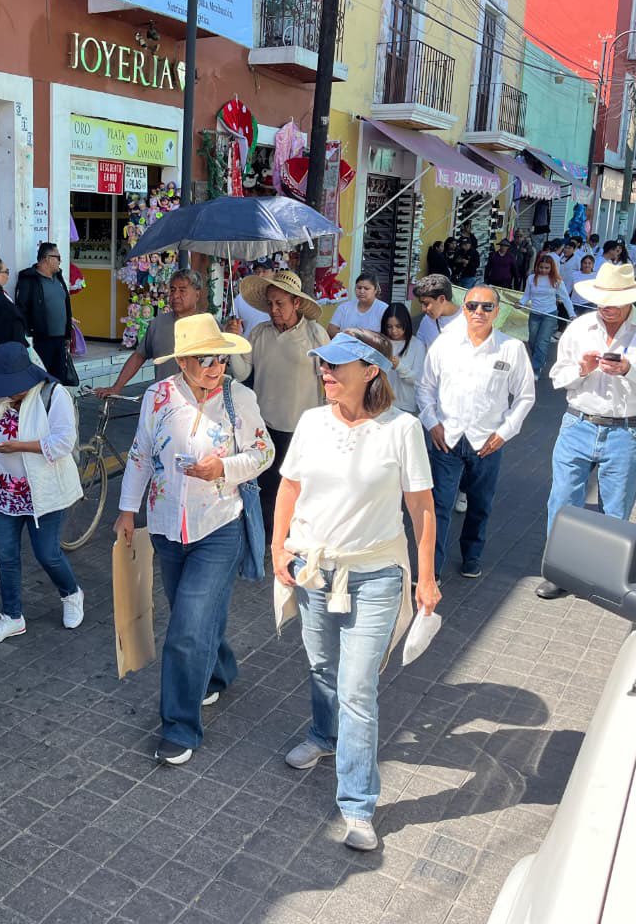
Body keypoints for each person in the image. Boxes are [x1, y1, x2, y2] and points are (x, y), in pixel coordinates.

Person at [272, 330, 440, 851]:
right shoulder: (311, 423)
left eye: (336, 366)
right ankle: (323, 737)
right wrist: (278, 547)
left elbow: (422, 508)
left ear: (370, 370)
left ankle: (358, 806)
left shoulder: (402, 429)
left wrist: (427, 577)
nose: (325, 372)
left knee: (357, 688)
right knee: (322, 666)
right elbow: (290, 486)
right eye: (323, 364)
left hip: (377, 575)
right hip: (315, 570)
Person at [115, 314, 273, 765]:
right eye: (204, 358)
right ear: (181, 360)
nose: (214, 366)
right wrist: (127, 510)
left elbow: (264, 452)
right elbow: (142, 454)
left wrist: (223, 469)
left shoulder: (238, 398)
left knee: (185, 629)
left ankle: (179, 728)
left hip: (219, 526)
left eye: (220, 357)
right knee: (195, 617)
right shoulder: (158, 397)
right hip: (166, 527)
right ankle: (220, 672)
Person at [537, 264, 636, 599]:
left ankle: (601, 574)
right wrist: (581, 370)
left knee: (616, 508)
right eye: (601, 299)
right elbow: (558, 377)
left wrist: (630, 370)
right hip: (578, 422)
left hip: (627, 430)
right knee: (563, 501)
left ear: (630, 299)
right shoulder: (580, 327)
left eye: (614, 299)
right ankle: (561, 570)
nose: (606, 305)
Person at [418, 286, 536, 579]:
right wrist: (432, 422)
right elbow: (425, 388)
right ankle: (431, 568)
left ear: (497, 311)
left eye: (486, 307)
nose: (478, 312)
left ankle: (472, 555)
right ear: (464, 309)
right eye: (472, 306)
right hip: (446, 439)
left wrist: (505, 432)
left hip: (487, 441)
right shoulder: (444, 344)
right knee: (439, 506)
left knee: (480, 504)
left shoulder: (511, 348)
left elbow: (525, 396)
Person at [0, 343, 84, 644]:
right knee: (5, 556)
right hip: (1, 491)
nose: (11, 392)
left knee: (48, 554)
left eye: (14, 386)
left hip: (42, 493)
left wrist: (19, 446)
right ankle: (12, 616)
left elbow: (63, 443)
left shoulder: (53, 394)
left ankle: (71, 594)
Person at [227, 270, 329, 539]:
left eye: (280, 303)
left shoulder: (315, 334)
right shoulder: (259, 333)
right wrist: (233, 343)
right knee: (266, 487)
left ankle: (296, 539)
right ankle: (268, 539)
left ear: (296, 302)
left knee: (298, 488)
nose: (274, 309)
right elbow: (241, 373)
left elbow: (330, 380)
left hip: (302, 428)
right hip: (264, 427)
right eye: (270, 303)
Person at [97, 269, 205, 397]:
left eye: (182, 290)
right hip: (164, 399)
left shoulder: (209, 325)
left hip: (200, 402)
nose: (175, 295)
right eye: (172, 290)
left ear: (197, 295)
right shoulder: (158, 323)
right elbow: (139, 356)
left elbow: (220, 366)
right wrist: (116, 387)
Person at [15, 242, 73, 380]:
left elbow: (64, 305)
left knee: (58, 380)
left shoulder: (58, 278)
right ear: (47, 258)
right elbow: (21, 309)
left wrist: (67, 334)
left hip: (60, 341)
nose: (60, 261)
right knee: (41, 379)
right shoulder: (29, 279)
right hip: (40, 341)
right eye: (58, 257)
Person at [519, 253, 577, 379]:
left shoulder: (557, 281)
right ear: (537, 266)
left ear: (551, 268)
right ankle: (540, 359)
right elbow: (526, 295)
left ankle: (535, 369)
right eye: (541, 267)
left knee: (542, 342)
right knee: (532, 342)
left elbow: (565, 298)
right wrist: (521, 303)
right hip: (535, 313)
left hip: (549, 314)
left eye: (546, 268)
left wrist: (572, 314)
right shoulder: (531, 278)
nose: (543, 270)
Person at [381, 303, 427, 414]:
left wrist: (399, 366)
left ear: (406, 324)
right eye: (389, 326)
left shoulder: (417, 345)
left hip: (405, 407)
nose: (394, 331)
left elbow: (418, 380)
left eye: (398, 326)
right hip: (381, 404)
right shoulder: (381, 342)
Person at [326, 273, 389, 338]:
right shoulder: (344, 307)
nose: (361, 291)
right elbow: (331, 330)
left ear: (375, 290)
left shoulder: (384, 309)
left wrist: (363, 337)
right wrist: (348, 335)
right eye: (359, 288)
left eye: (366, 288)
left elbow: (387, 336)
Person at [413, 274, 462, 348]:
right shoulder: (426, 321)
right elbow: (419, 350)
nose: (423, 309)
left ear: (442, 299)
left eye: (426, 304)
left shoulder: (468, 320)